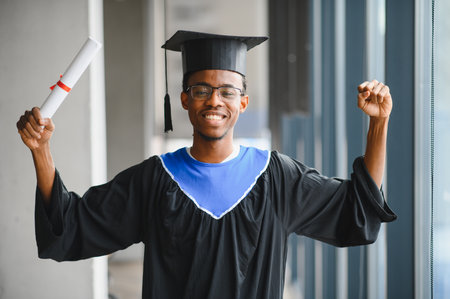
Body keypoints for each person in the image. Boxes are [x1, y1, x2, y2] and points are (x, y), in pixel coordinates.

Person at [17, 30, 396, 299]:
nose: (215, 100)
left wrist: (377, 125)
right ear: (184, 99)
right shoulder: (155, 179)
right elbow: (70, 226)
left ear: (243, 103)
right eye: (202, 90)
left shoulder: (277, 177)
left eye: (228, 91)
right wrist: (41, 150)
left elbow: (357, 212)